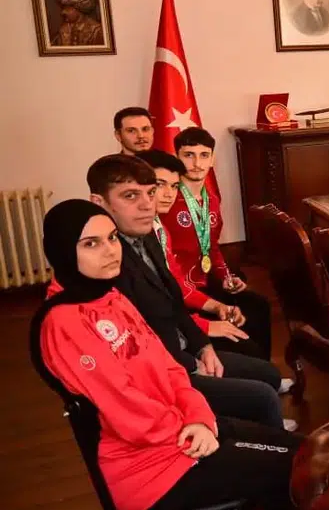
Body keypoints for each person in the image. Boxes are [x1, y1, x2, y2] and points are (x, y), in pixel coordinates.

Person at [30, 200, 329, 510]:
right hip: (149, 469)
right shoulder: (63, 322)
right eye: (91, 244)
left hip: (183, 434)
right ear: (61, 252)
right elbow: (125, 410)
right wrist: (191, 427)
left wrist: (199, 417)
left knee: (305, 450)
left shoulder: (110, 296)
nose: (109, 251)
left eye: (111, 238)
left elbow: (170, 369)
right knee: (291, 466)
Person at [88, 154, 287, 428]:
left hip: (183, 347)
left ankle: (247, 424)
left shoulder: (146, 234)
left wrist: (202, 345)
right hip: (164, 371)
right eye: (131, 196)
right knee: (263, 397)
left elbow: (173, 299)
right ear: (99, 202)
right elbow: (142, 337)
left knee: (268, 372)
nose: (148, 204)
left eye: (151, 193)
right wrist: (192, 363)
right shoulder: (108, 262)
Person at [160, 127, 273, 358]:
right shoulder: (166, 201)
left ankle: (266, 369)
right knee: (240, 334)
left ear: (212, 159)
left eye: (204, 155)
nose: (197, 163)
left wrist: (226, 278)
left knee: (258, 306)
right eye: (188, 155)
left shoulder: (211, 200)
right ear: (177, 158)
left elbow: (211, 246)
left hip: (205, 282)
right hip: (181, 292)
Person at [135, 150, 260, 353]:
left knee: (253, 315)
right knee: (248, 349)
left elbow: (179, 281)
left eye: (174, 186)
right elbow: (153, 306)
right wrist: (202, 326)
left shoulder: (159, 227)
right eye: (160, 185)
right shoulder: (136, 238)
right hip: (162, 334)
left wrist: (218, 306)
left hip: (185, 303)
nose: (169, 194)